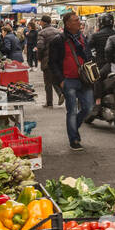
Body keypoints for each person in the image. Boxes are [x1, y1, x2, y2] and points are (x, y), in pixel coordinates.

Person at [48, 10, 93, 151]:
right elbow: (52, 62)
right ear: (67, 24)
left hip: (84, 79)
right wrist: (61, 81)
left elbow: (88, 56)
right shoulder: (59, 40)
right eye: (75, 20)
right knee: (72, 111)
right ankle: (73, 138)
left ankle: (73, 128)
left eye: (78, 20)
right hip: (69, 80)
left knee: (88, 107)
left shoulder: (82, 38)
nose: (79, 22)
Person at [36, 14, 64, 108]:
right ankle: (61, 94)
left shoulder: (42, 33)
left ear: (43, 22)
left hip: (47, 60)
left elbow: (40, 47)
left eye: (40, 21)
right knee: (56, 79)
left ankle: (49, 102)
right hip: (58, 60)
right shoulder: (58, 31)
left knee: (48, 82)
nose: (39, 22)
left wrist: (39, 58)